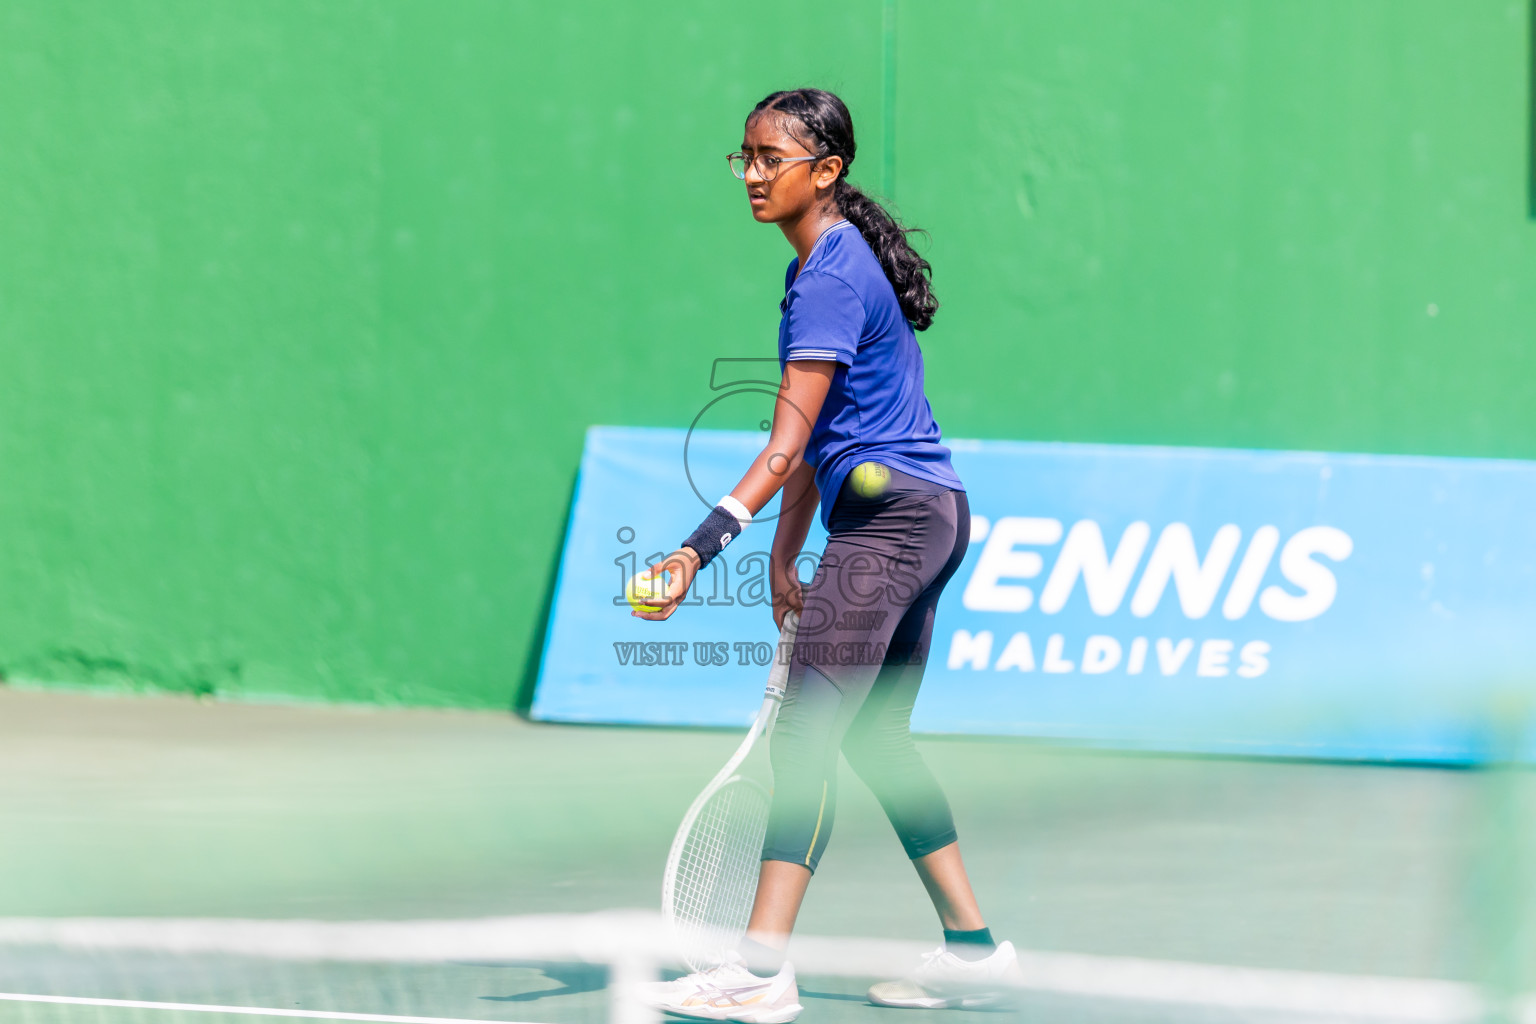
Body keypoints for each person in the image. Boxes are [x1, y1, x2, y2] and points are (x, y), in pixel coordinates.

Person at [634, 88, 1020, 1022]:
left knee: (807, 741)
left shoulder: (830, 276)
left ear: (827, 169)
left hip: (893, 524)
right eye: (746, 158)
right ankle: (973, 950)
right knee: (877, 741)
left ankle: (760, 970)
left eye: (772, 157)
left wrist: (697, 551)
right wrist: (785, 554)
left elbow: (780, 444)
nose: (754, 175)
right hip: (929, 514)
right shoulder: (828, 265)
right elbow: (815, 443)